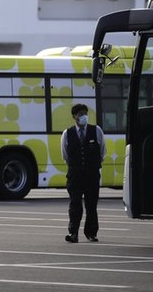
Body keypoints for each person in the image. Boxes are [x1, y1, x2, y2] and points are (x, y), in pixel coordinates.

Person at [60, 103, 106, 243]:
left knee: (91, 205)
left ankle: (91, 233)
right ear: (74, 117)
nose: (83, 117)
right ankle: (73, 233)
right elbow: (65, 155)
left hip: (91, 175)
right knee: (75, 204)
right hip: (75, 175)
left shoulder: (96, 130)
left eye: (85, 114)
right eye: (80, 114)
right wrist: (76, 165)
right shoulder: (67, 134)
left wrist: (93, 164)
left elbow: (102, 151)